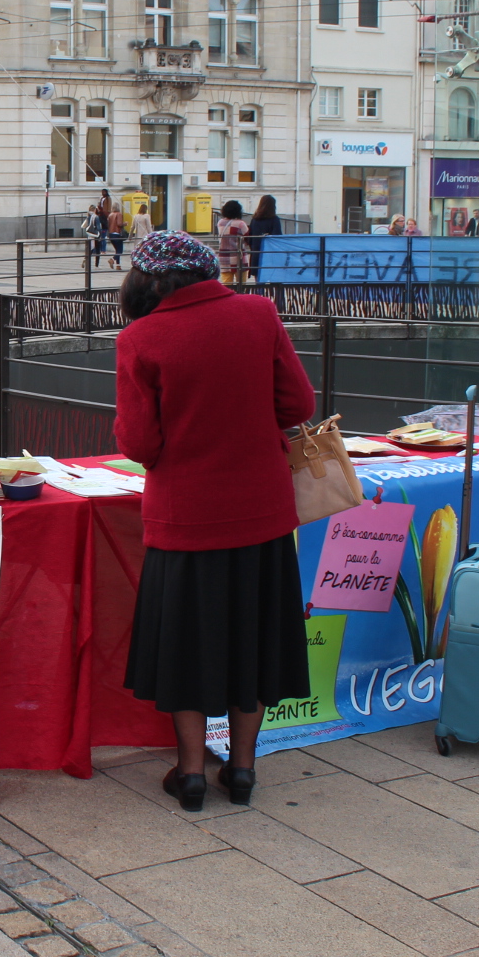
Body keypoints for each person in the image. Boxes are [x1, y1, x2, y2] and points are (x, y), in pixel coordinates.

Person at [114, 230, 315, 811]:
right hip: (263, 514)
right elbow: (299, 406)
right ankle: (245, 771)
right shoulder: (258, 313)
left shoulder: (141, 338)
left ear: (144, 281)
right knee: (253, 639)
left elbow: (139, 442)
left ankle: (193, 772)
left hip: (186, 519)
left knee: (188, 647)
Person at [247, 195, 282, 284]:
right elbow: (277, 237)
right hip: (270, 255)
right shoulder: (274, 219)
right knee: (275, 282)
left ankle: (260, 296)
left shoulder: (254, 219)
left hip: (256, 254)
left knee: (259, 283)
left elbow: (250, 238)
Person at [214, 200, 250, 285]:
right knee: (241, 285)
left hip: (224, 258)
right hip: (239, 258)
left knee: (227, 285)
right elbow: (247, 237)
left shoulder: (220, 223)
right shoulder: (241, 224)